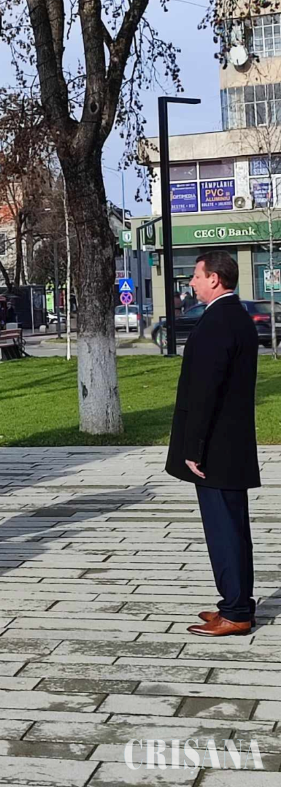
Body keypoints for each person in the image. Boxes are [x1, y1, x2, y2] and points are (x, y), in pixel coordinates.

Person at [165, 251, 260, 637]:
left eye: (196, 275)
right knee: (233, 528)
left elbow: (206, 391)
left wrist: (194, 447)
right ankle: (237, 603)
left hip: (216, 448)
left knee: (224, 530)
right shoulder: (237, 316)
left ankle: (235, 612)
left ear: (214, 279)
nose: (191, 282)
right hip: (231, 444)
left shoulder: (218, 322)